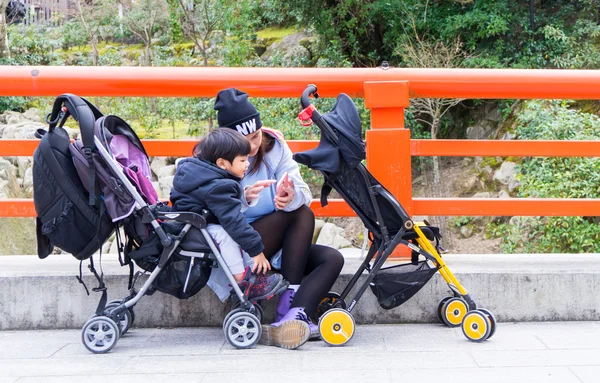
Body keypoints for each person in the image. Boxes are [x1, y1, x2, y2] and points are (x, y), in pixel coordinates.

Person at [213, 88, 345, 345]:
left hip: (279, 248)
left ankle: (293, 317)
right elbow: (215, 215)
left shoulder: (274, 147)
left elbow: (304, 193)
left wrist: (290, 195)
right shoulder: (216, 159)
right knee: (298, 215)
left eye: (255, 136)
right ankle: (287, 310)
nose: (252, 147)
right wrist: (244, 199)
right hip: (241, 250)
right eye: (243, 142)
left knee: (332, 258)